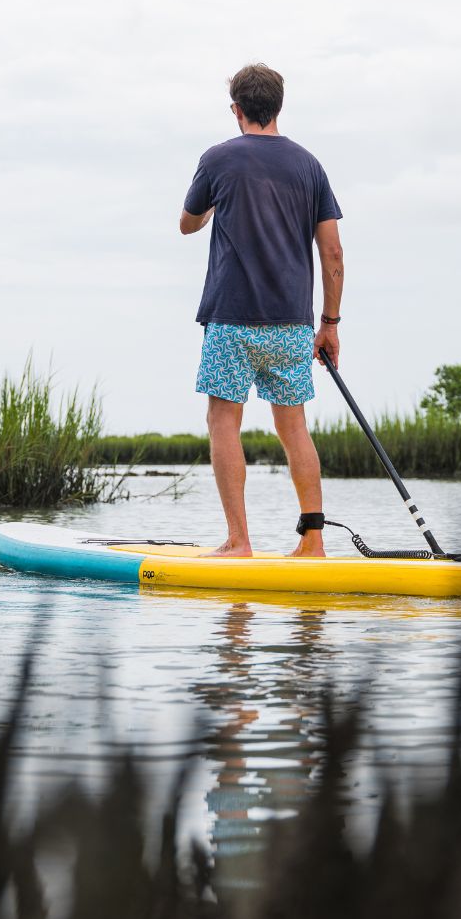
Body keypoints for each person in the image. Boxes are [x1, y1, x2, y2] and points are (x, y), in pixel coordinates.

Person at [180, 63, 344, 559]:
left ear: (237, 109)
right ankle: (313, 541)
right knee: (294, 426)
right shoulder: (309, 165)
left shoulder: (217, 159)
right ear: (278, 106)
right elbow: (332, 254)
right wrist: (329, 324)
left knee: (223, 422)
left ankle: (239, 541)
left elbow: (187, 223)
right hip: (292, 324)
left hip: (231, 320)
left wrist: (217, 203)